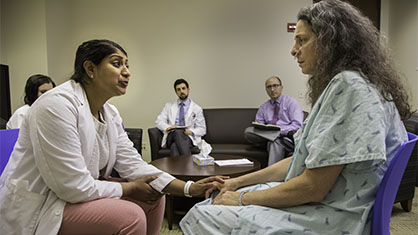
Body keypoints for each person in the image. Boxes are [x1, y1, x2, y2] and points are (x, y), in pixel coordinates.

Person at [180, 0, 414, 234]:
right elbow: (300, 161)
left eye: (302, 40)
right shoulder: (360, 84)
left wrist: (241, 199)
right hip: (333, 202)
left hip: (336, 216)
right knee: (227, 195)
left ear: (330, 41)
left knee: (203, 213)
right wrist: (237, 182)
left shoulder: (349, 87)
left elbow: (313, 187)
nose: (293, 50)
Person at [0, 39, 225, 235]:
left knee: (155, 196)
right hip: (46, 203)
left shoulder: (110, 113)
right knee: (131, 216)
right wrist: (128, 189)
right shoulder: (55, 105)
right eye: (117, 63)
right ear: (90, 68)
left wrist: (188, 188)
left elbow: (133, 163)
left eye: (127, 65)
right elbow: (71, 187)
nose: (127, 72)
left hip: (76, 193)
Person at [244, 76, 304, 165]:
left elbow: (297, 125)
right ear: (266, 90)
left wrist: (281, 132)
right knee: (248, 131)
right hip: (266, 139)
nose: (272, 89)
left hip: (286, 138)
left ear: (281, 87)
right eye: (269, 87)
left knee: (275, 142)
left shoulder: (292, 103)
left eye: (275, 86)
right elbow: (258, 126)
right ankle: (274, 136)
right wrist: (268, 131)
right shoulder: (264, 107)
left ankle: (270, 176)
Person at [155, 78, 206, 156]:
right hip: (171, 136)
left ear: (188, 90)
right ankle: (189, 163)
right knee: (178, 132)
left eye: (183, 88)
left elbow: (202, 129)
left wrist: (192, 132)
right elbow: (158, 121)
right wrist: (169, 127)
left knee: (174, 147)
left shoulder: (197, 109)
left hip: (187, 137)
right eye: (178, 89)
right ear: (176, 92)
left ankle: (177, 168)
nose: (181, 91)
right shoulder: (168, 106)